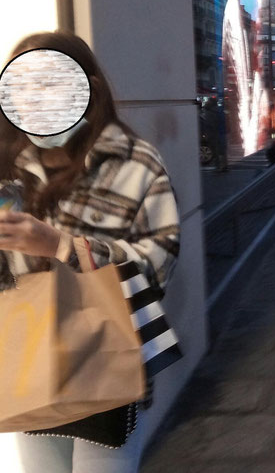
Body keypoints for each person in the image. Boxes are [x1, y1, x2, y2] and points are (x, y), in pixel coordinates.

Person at [0, 31, 180, 473]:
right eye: (20, 86)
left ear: (89, 89)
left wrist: (61, 246)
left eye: (47, 83)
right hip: (31, 358)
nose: (32, 98)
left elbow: (159, 262)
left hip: (106, 356)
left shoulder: (135, 163)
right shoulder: (11, 167)